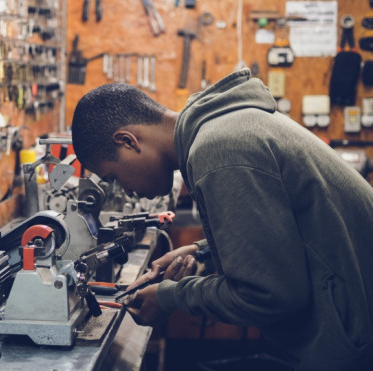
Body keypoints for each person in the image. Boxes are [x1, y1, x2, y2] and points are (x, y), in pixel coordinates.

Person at [70, 69, 373, 371]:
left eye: (114, 176)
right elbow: (281, 229)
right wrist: (202, 251)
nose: (126, 190)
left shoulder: (219, 151)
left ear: (128, 141)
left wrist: (171, 298)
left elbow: (269, 295)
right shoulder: (223, 129)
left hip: (356, 334)